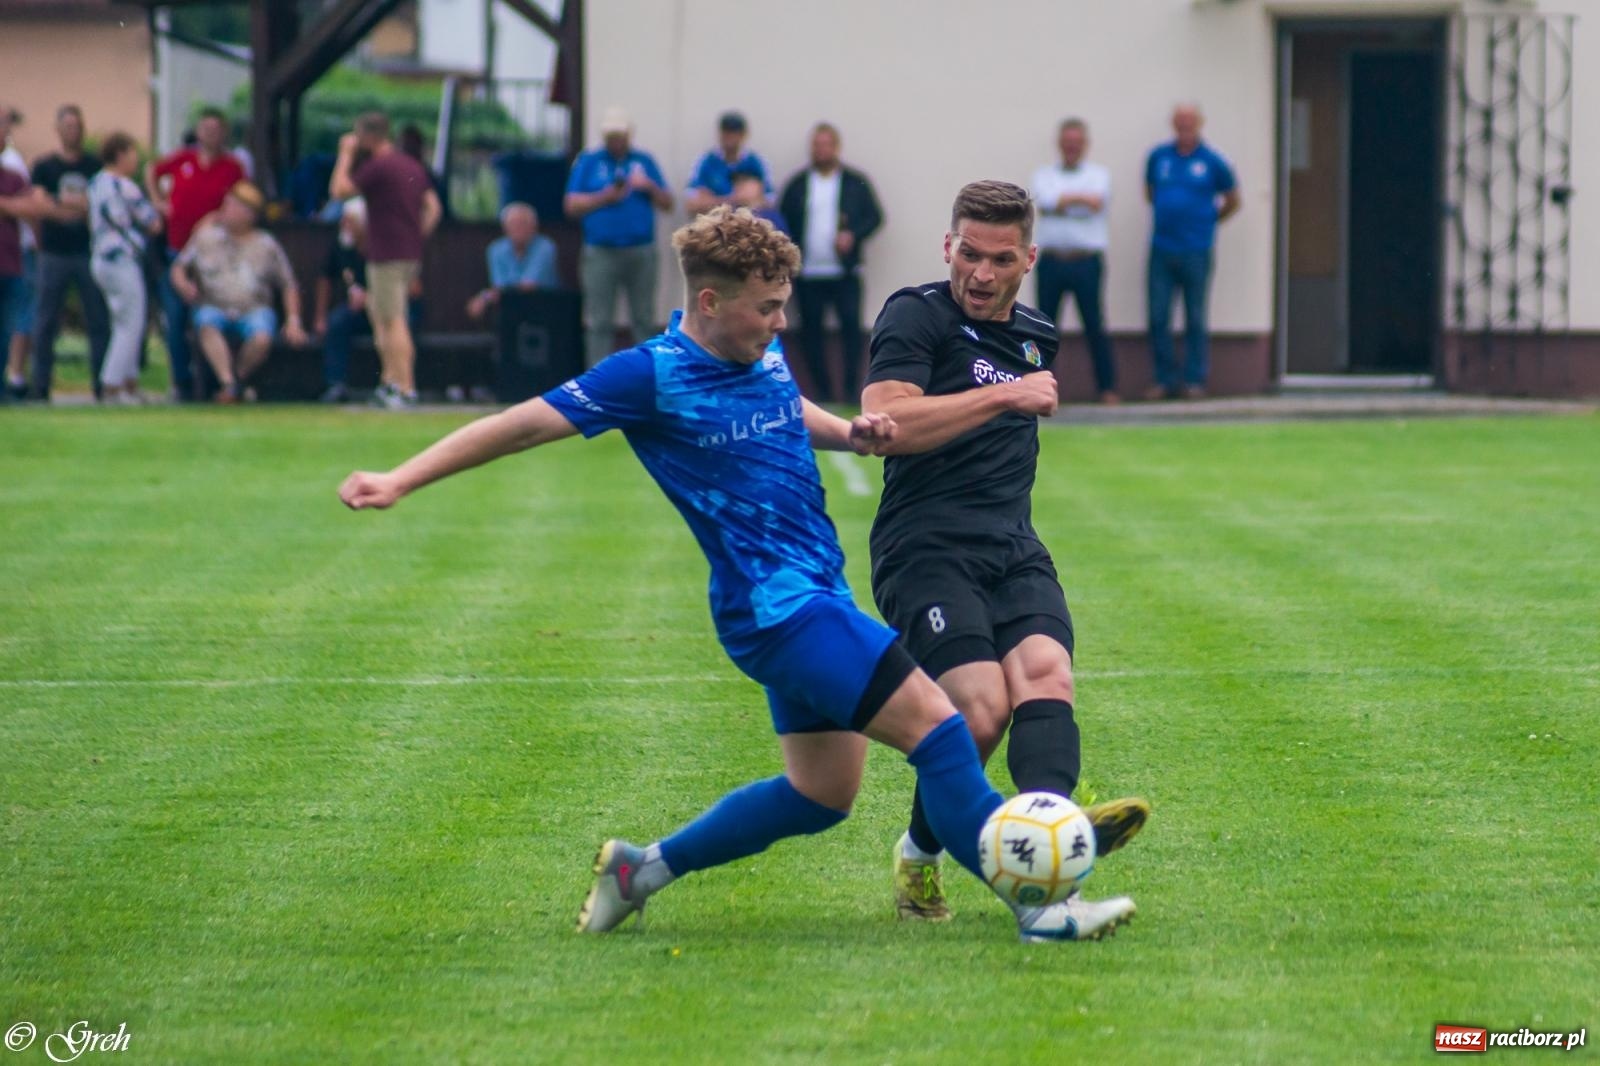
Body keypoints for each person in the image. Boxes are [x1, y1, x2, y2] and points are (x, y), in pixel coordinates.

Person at [338, 205, 1134, 944]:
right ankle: (1043, 905)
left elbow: (791, 410)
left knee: (821, 796)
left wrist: (850, 431)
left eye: (784, 305)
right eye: (767, 308)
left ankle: (640, 868)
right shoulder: (648, 376)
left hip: (809, 595)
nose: (781, 322)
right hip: (780, 609)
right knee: (941, 728)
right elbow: (518, 428)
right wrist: (401, 478)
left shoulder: (758, 348)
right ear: (710, 302)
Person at [861, 180, 1149, 923]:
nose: (980, 275)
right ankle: (921, 855)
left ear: (1028, 259)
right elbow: (886, 419)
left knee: (1048, 678)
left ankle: (1054, 876)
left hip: (1013, 543)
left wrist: (1017, 384)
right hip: (924, 545)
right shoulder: (914, 315)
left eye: (999, 260)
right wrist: (1006, 394)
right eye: (968, 254)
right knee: (980, 711)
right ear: (947, 245)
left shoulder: (1035, 333)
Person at [329, 111, 442, 410]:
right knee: (380, 318)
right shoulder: (411, 165)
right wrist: (418, 236)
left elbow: (339, 190)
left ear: (367, 136)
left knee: (393, 320)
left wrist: (345, 153)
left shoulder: (379, 166)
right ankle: (390, 383)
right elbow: (433, 207)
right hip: (405, 253)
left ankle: (405, 388)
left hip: (388, 255)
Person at [170, 181, 308, 403]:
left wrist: (293, 320)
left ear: (249, 214)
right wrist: (183, 284)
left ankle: (235, 382)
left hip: (254, 309)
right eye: (226, 205)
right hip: (214, 305)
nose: (225, 212)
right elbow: (178, 267)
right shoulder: (206, 236)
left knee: (262, 335)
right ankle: (229, 384)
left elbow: (288, 284)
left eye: (233, 207)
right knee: (206, 323)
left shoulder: (266, 244)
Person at [778, 122, 884, 404]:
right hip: (808, 273)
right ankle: (823, 395)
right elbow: (782, 220)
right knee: (810, 333)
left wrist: (853, 235)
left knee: (851, 332)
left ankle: (851, 394)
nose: (821, 150)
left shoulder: (853, 182)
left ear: (836, 148)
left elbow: (875, 217)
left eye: (826, 145)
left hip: (845, 273)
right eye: (816, 145)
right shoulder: (798, 184)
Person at [562, 106, 673, 368]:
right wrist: (605, 197)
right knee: (599, 320)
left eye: (620, 136)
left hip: (640, 250)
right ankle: (597, 378)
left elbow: (668, 202)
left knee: (644, 318)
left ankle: (647, 375)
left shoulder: (644, 162)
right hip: (601, 251)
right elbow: (571, 205)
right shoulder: (589, 161)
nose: (616, 142)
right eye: (611, 136)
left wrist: (648, 187)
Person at [149, 107, 246, 401]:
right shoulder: (183, 159)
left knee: (207, 318)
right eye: (205, 128)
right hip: (177, 250)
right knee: (175, 317)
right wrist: (159, 204)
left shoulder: (232, 167)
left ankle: (216, 382)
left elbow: (241, 201)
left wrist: (216, 217)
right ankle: (181, 382)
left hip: (212, 255)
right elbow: (152, 171)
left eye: (216, 129)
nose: (210, 134)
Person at [1144, 103, 1240, 400]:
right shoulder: (1159, 158)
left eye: (1190, 122)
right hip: (1162, 248)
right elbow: (1150, 192)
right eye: (1180, 122)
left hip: (1197, 250)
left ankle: (1194, 380)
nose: (1184, 127)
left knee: (1195, 317)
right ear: (1174, 125)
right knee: (1159, 316)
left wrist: (1208, 222)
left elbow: (1233, 199)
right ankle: (1164, 380)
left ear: (1199, 124)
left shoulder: (1212, 161)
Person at [26, 104, 110, 402]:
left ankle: (102, 385)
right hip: (53, 253)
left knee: (98, 319)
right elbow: (38, 204)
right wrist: (73, 206)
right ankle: (40, 386)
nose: (72, 130)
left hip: (88, 252)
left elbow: (98, 205)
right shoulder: (44, 167)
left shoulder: (94, 166)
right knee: (45, 320)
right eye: (67, 125)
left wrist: (60, 202)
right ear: (58, 129)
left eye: (77, 125)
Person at [1031, 118, 1118, 404]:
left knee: (1095, 324)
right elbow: (1043, 202)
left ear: (1085, 145)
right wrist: (1076, 201)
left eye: (1076, 143)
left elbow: (1096, 203)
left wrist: (1062, 202)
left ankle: (1107, 389)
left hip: (1086, 262)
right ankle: (1043, 390)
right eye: (1067, 142)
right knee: (1044, 328)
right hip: (1052, 261)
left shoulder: (1099, 175)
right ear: (1060, 144)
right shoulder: (1044, 175)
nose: (1071, 147)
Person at [313, 199, 422, 404]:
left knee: (397, 324)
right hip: (359, 312)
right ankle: (336, 384)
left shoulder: (388, 246)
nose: (345, 226)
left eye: (350, 222)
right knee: (336, 322)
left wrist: (372, 297)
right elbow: (325, 277)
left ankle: (400, 386)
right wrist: (320, 317)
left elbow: (414, 289)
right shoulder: (341, 244)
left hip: (393, 308)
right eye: (343, 221)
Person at [87, 132, 163, 404]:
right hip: (120, 259)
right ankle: (112, 386)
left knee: (121, 320)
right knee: (131, 323)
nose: (135, 160)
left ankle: (129, 385)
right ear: (120, 154)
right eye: (132, 153)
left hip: (99, 259)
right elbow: (153, 221)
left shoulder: (95, 183)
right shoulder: (124, 186)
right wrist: (158, 199)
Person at [466, 202, 560, 320]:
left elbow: (528, 287)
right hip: (511, 311)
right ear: (505, 228)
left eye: (523, 223)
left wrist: (486, 296)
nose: (518, 229)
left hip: (544, 309)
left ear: (534, 226)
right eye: (513, 224)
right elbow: (500, 287)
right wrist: (485, 297)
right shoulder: (496, 249)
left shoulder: (545, 247)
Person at [1, 104, 36, 401]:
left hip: (10, 261)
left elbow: (32, 207)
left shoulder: (14, 174)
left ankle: (4, 384)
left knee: (7, 330)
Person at [685, 111, 772, 217]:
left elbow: (768, 203)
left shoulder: (756, 162)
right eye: (726, 132)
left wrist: (712, 200)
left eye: (735, 132)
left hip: (747, 227)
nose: (730, 137)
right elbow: (693, 205)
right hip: (713, 227)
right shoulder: (706, 161)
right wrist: (737, 199)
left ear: (743, 135)